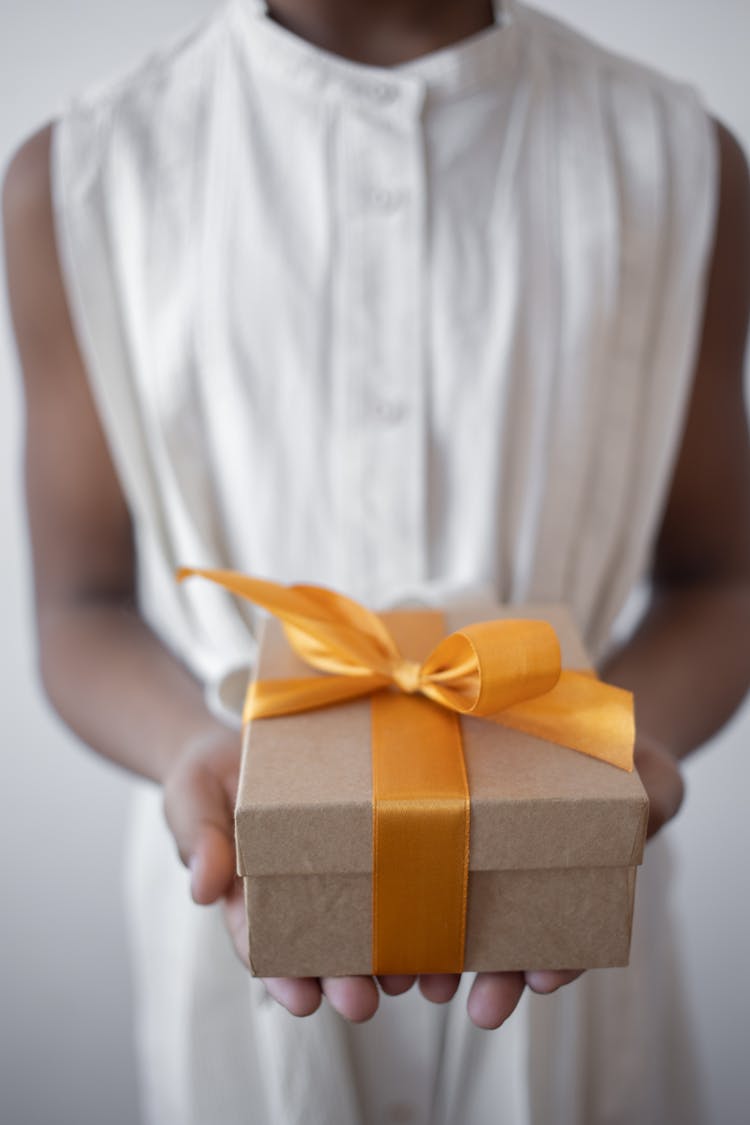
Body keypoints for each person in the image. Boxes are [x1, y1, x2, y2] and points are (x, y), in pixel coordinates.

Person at [4, 0, 750, 1122]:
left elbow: (720, 577)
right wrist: (193, 755)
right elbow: (80, 604)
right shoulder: (84, 175)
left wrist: (601, 773)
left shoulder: (676, 160)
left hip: (578, 928)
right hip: (237, 917)